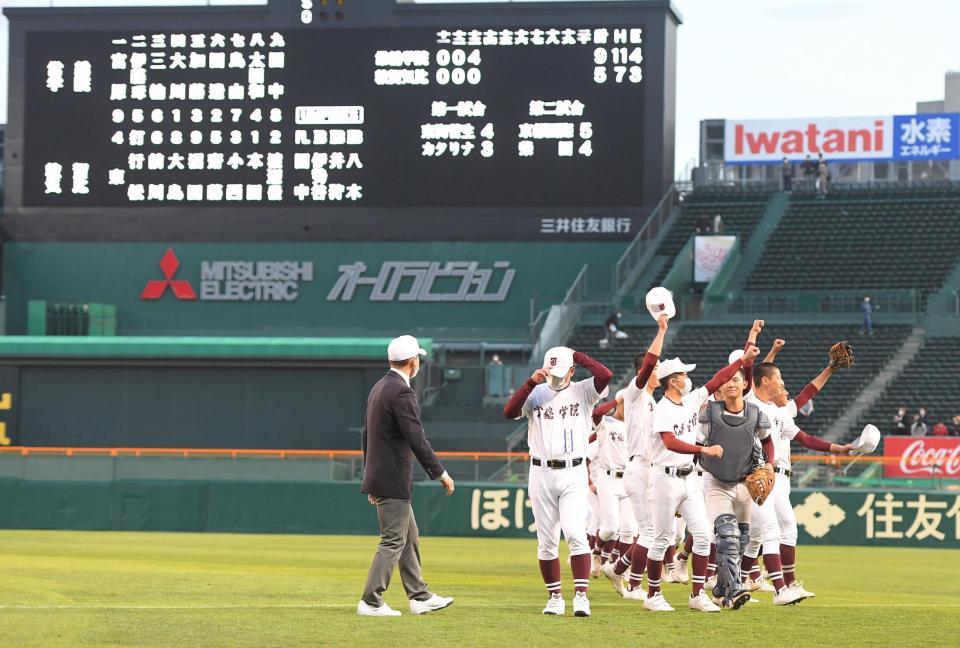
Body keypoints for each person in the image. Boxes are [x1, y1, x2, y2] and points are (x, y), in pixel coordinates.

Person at [503, 346, 612, 617]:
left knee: (576, 534)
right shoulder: (536, 392)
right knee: (546, 541)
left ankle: (581, 596)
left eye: (562, 372)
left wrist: (577, 356)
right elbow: (508, 412)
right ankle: (554, 597)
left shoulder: (583, 390)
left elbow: (605, 375)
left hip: (573, 472)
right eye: (552, 371)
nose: (556, 377)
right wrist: (530, 382)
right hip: (540, 471)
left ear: (572, 371)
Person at [744, 347, 856, 603]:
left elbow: (804, 436)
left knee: (779, 530)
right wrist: (766, 350)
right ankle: (774, 587)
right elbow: (754, 373)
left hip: (777, 476)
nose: (784, 385)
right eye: (780, 380)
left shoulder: (780, 413)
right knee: (759, 532)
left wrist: (837, 448)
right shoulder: (750, 402)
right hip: (756, 475)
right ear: (766, 382)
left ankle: (781, 584)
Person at [642, 351, 750, 613]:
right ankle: (653, 595)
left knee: (703, 535)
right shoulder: (662, 408)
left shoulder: (690, 401)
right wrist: (703, 450)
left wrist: (742, 360)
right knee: (661, 538)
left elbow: (716, 380)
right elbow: (669, 441)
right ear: (672, 381)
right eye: (683, 375)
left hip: (688, 478)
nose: (687, 379)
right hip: (664, 478)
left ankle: (697, 594)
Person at [358, 335, 456, 617]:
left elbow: (367, 435)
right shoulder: (401, 392)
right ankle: (371, 600)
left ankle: (419, 596)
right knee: (392, 541)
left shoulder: (380, 387)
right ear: (414, 362)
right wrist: (441, 473)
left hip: (382, 476)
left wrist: (370, 478)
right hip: (392, 477)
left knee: (408, 536)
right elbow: (417, 438)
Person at [697, 346, 773, 609]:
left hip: (745, 482)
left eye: (737, 380)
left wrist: (769, 466)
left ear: (745, 384)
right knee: (727, 535)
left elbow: (768, 441)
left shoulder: (756, 415)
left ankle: (721, 588)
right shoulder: (708, 414)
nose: (732, 384)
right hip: (716, 480)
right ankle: (737, 588)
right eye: (727, 380)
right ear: (720, 386)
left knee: (741, 539)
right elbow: (695, 445)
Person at [602, 315, 669, 600]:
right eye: (656, 368)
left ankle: (619, 569)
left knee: (649, 533)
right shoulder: (635, 392)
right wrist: (662, 330)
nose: (660, 371)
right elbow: (649, 364)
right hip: (638, 468)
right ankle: (632, 584)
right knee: (651, 533)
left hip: (649, 469)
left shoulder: (653, 401)